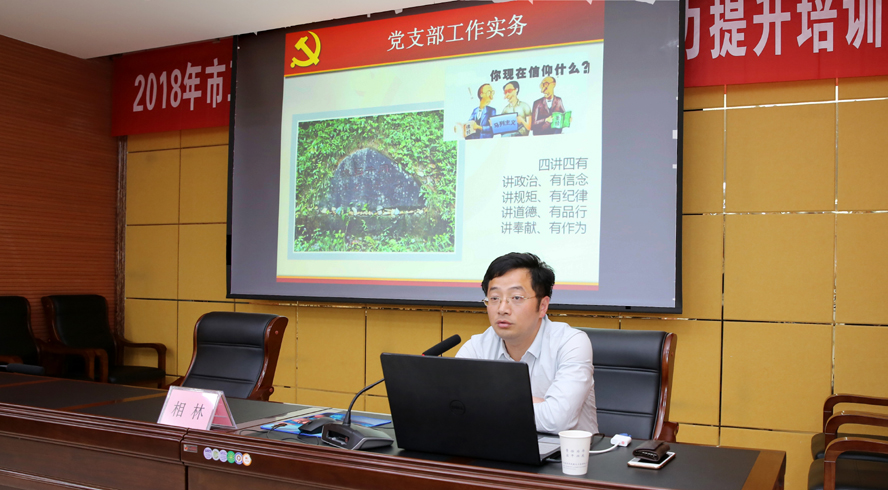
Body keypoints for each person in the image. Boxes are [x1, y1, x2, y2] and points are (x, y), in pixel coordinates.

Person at [456, 252, 598, 434]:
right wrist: (535, 404)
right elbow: (456, 406)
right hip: (498, 446)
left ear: (543, 306)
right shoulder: (477, 347)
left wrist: (488, 402)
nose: (502, 309)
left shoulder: (570, 343)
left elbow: (557, 420)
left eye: (516, 298)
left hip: (565, 451)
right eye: (494, 298)